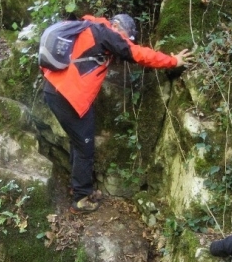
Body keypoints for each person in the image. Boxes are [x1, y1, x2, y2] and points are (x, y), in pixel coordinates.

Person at [41, 14, 193, 214]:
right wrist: (173, 61)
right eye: (125, 36)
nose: (124, 40)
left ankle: (78, 187)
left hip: (56, 90)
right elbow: (136, 53)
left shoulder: (89, 27)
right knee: (85, 146)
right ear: (117, 26)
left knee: (78, 141)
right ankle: (81, 199)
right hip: (67, 96)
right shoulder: (105, 32)